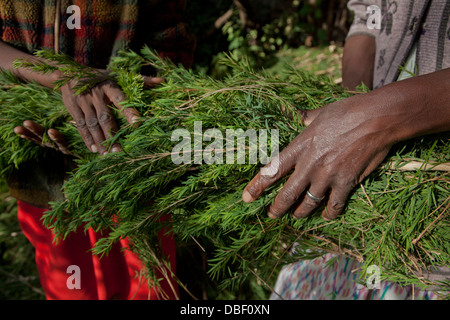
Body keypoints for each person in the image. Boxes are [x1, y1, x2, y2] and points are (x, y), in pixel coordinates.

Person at [242, 0, 450, 299]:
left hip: (436, 221)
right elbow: (368, 20)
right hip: (360, 199)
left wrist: (369, 121)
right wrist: (349, 110)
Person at [0, 0, 195, 300]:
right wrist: (61, 79)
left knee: (149, 289)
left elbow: (171, 40)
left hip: (130, 165)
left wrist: (131, 93)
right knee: (70, 292)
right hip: (40, 172)